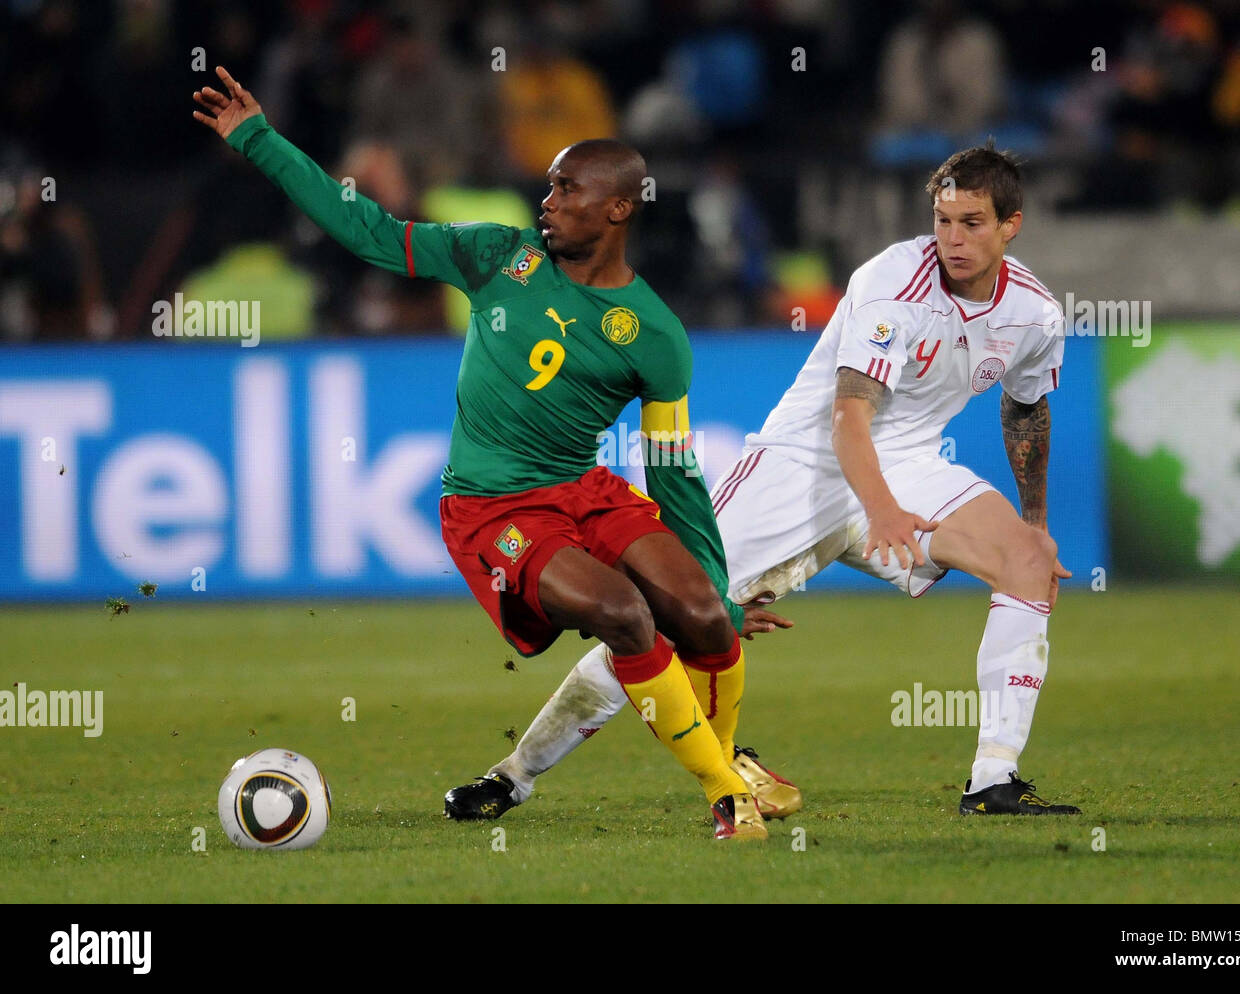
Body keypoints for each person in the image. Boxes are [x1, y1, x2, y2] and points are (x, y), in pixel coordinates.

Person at [192, 66, 791, 841]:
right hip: (491, 507)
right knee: (623, 613)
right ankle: (724, 794)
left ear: (616, 209)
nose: (547, 203)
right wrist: (260, 140)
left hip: (583, 488)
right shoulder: (497, 256)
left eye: (565, 190)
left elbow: (673, 470)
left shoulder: (655, 334)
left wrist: (719, 583)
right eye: (547, 186)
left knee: (707, 616)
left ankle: (728, 759)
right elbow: (370, 232)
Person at [446, 144, 1081, 820]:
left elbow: (1026, 405)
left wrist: (1035, 518)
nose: (952, 238)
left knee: (1028, 561)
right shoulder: (894, 283)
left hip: (909, 467)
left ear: (1011, 225)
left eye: (972, 223)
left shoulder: (1035, 314)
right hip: (800, 467)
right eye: (943, 220)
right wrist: (883, 511)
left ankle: (992, 781)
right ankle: (514, 775)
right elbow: (848, 419)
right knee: (669, 622)